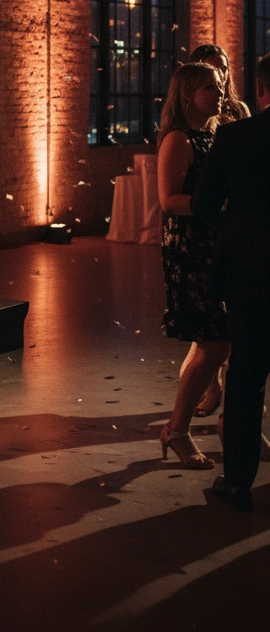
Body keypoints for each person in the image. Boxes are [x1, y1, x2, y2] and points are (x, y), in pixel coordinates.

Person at [192, 53, 270, 510]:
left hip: (250, 268)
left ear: (260, 90)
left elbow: (203, 205)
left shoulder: (236, 136)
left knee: (246, 374)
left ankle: (237, 482)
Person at [156, 62, 230, 469]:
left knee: (221, 339)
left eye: (218, 87)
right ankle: (177, 429)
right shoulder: (179, 140)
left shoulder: (211, 134)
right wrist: (218, 206)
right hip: (190, 250)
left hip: (213, 245)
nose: (219, 95)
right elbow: (168, 200)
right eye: (209, 88)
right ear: (187, 96)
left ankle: (190, 427)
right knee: (214, 340)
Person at [185, 44, 250, 416]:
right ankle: (214, 384)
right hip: (209, 214)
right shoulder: (190, 120)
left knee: (230, 317)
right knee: (210, 321)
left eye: (222, 69)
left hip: (232, 216)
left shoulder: (237, 112)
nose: (219, 77)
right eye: (210, 71)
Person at [190, 43, 250, 125]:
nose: (220, 74)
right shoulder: (189, 110)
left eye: (224, 69)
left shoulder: (239, 109)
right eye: (213, 69)